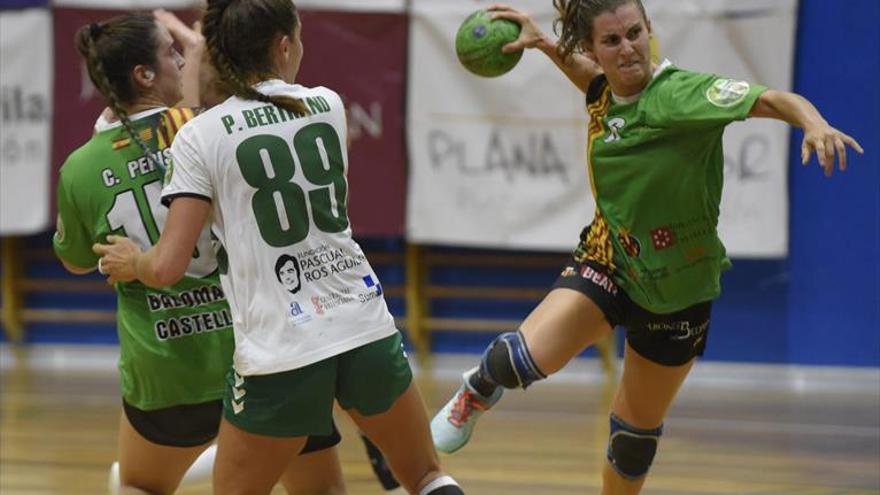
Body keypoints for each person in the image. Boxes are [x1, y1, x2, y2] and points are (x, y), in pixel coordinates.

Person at [429, 1, 864, 494]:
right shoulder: (603, 94)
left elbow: (774, 99)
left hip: (679, 292)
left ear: (649, 30)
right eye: (611, 41)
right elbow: (593, 83)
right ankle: (477, 389)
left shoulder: (683, 95)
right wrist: (545, 42)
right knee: (518, 360)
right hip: (608, 261)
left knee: (633, 442)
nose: (628, 48)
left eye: (634, 33)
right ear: (593, 48)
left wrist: (814, 124)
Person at [93, 1, 462, 494]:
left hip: (281, 350)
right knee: (426, 477)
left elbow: (166, 266)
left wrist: (132, 261)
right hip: (364, 328)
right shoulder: (327, 105)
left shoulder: (197, 137)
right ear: (283, 45)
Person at [56, 11, 352, 495]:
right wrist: (205, 49)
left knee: (138, 485)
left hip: (168, 370)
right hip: (263, 353)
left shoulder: (81, 167)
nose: (181, 58)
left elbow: (75, 259)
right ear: (144, 75)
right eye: (170, 52)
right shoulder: (216, 128)